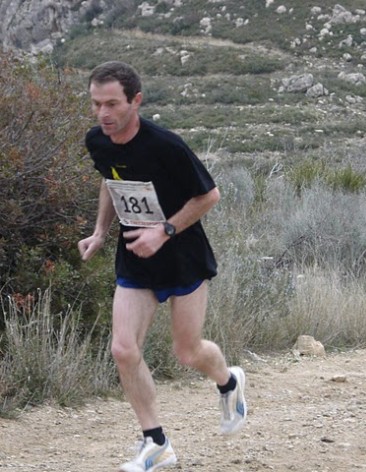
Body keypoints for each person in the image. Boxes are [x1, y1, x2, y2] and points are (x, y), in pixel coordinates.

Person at [78, 61, 247, 471]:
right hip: (135, 257)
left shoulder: (165, 145)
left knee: (187, 351)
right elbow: (110, 179)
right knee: (123, 348)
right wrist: (101, 230)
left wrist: (164, 231)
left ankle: (229, 381)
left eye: (112, 103)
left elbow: (209, 196)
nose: (104, 113)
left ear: (135, 100)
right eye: (97, 104)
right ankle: (155, 442)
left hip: (181, 255)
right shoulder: (98, 141)